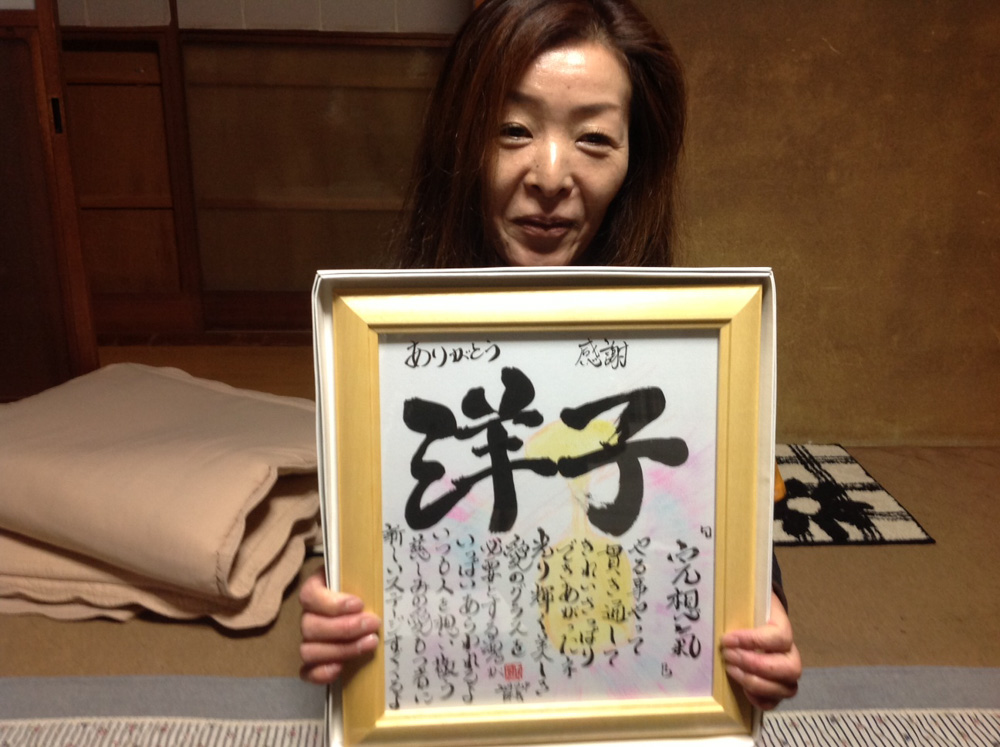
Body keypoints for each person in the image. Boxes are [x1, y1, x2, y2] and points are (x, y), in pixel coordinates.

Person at [300, 0, 801, 712]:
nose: (551, 174)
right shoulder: (383, 347)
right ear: (459, 139)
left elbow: (707, 510)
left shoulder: (688, 344)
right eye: (513, 129)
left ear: (635, 159)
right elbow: (384, 548)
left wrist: (763, 609)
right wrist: (338, 611)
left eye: (594, 138)